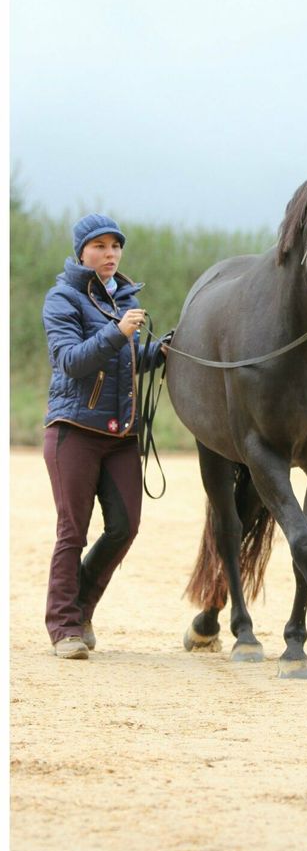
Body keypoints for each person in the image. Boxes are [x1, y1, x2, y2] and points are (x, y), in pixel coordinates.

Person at [42, 212, 165, 659]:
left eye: (115, 246)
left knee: (125, 526)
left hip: (119, 433)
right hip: (73, 430)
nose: (110, 254)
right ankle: (64, 628)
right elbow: (71, 362)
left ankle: (82, 606)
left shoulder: (121, 299)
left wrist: (159, 350)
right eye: (99, 246)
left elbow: (123, 362)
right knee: (72, 532)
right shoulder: (62, 299)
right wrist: (118, 332)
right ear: (81, 253)